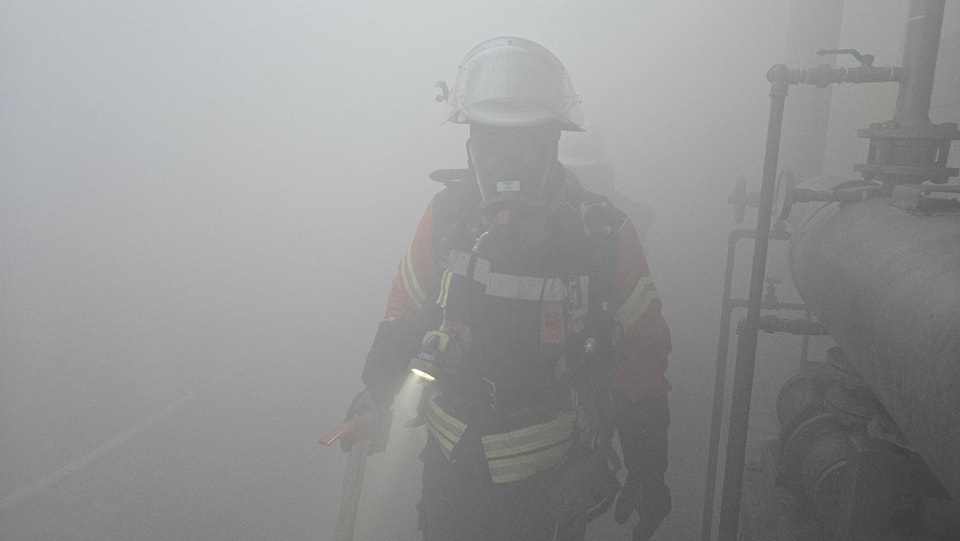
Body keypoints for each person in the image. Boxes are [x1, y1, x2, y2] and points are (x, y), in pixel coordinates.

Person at [343, 36, 672, 541]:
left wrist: (649, 470)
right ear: (471, 147)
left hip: (550, 489)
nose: (507, 167)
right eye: (493, 146)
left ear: (555, 145)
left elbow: (642, 361)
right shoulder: (448, 218)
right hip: (452, 469)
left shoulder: (602, 235)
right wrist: (375, 391)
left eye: (526, 147)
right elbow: (405, 310)